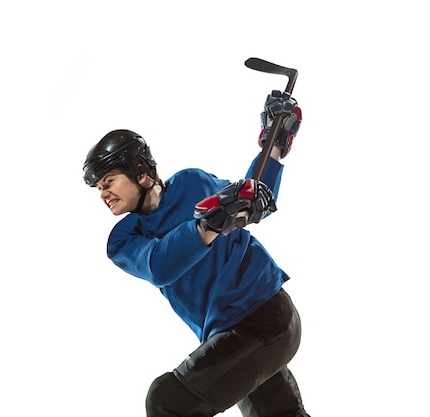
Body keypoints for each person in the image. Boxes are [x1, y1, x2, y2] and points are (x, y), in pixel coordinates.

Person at [82, 90, 309, 417]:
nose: (104, 193)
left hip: (264, 316)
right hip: (232, 336)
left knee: (168, 401)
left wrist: (273, 145)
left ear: (141, 171)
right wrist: (211, 221)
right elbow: (161, 264)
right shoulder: (124, 239)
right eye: (99, 188)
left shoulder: (191, 182)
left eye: (109, 181)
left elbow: (251, 202)